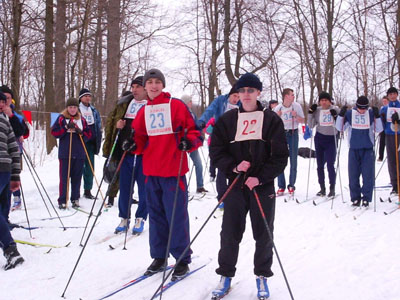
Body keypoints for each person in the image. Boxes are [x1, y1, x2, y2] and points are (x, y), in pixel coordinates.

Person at [209, 73, 288, 299]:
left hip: (261, 186)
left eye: (250, 91)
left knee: (263, 232)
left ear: (258, 93)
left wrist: (260, 178)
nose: (246, 95)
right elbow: (216, 151)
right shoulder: (228, 120)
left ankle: (262, 277)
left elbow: (281, 156)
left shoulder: (271, 119)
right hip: (235, 184)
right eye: (242, 91)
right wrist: (233, 167)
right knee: (230, 232)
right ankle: (225, 275)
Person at [130, 69, 202, 280]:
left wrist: (188, 141)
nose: (153, 86)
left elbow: (195, 132)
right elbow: (140, 139)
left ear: (163, 85)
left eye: (157, 82)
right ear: (145, 87)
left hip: (173, 170)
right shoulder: (144, 111)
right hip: (151, 171)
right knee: (157, 215)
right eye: (150, 82)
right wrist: (132, 144)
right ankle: (160, 256)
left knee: (176, 215)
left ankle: (181, 258)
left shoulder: (176, 105)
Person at [111, 76, 149, 235]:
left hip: (144, 154)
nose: (134, 89)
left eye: (138, 87)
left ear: (145, 89)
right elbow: (114, 124)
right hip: (126, 152)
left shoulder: (151, 105)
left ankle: (140, 217)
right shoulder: (126, 103)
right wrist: (118, 125)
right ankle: (124, 218)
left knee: (144, 188)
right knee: (125, 187)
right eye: (132, 86)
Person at [198, 86, 240, 207]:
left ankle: (233, 197)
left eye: (238, 96)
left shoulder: (241, 103)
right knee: (222, 169)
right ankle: (222, 199)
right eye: (234, 96)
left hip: (235, 139)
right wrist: (202, 121)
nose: (236, 99)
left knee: (235, 168)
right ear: (230, 95)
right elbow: (210, 110)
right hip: (220, 138)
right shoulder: (221, 100)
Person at [336, 96, 383, 207]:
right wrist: (341, 115)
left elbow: (379, 129)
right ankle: (355, 197)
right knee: (353, 175)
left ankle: (366, 197)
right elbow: (339, 128)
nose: (362, 111)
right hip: (354, 149)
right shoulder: (350, 114)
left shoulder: (370, 114)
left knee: (368, 175)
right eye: (360, 108)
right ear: (356, 106)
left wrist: (377, 116)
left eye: (364, 108)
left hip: (367, 149)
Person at [51, 98, 92, 209]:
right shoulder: (61, 118)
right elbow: (54, 132)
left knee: (77, 177)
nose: (72, 110)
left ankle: (75, 198)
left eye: (74, 107)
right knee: (64, 178)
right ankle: (62, 200)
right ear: (67, 108)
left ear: (77, 108)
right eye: (70, 107)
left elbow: (89, 135)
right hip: (65, 153)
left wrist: (81, 133)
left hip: (79, 153)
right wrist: (65, 128)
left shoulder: (82, 120)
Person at [0, 91, 24, 270]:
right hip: (6, 171)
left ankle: (11, 251)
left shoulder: (6, 120)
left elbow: (14, 148)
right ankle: (10, 249)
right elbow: (14, 149)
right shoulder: (5, 120)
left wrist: (15, 176)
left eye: (3, 101)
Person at [273, 88, 305, 196]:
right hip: (281, 134)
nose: (293, 96)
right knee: (280, 159)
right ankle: (281, 186)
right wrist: (276, 116)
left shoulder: (297, 106)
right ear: (286, 96)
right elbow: (272, 124)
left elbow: (302, 120)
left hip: (293, 133)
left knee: (293, 159)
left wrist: (296, 115)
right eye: (292, 95)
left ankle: (291, 184)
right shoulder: (278, 108)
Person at [0, 85, 25, 220]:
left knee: (7, 191)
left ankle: (5, 219)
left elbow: (22, 131)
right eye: (3, 98)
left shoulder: (14, 115)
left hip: (13, 153)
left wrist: (11, 116)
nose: (5, 102)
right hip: (3, 156)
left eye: (8, 99)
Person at [307, 92, 339, 197]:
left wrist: (336, 116)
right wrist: (310, 113)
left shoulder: (335, 109)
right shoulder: (318, 111)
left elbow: (340, 126)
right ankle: (322, 188)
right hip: (320, 138)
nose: (324, 102)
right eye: (322, 100)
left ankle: (332, 187)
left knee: (330, 164)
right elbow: (311, 125)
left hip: (331, 138)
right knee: (320, 165)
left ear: (330, 101)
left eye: (326, 100)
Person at [78, 88, 102, 199]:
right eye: (85, 96)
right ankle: (75, 190)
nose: (87, 98)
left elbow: (98, 125)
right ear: (80, 98)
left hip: (91, 142)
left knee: (90, 167)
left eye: (89, 96)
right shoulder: (77, 109)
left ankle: (88, 190)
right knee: (78, 167)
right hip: (80, 141)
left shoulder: (94, 110)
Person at [181, 94, 208, 193]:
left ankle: (200, 186)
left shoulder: (192, 114)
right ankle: (182, 188)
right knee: (182, 166)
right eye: (190, 101)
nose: (191, 103)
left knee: (199, 164)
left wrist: (201, 127)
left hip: (192, 143)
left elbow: (196, 127)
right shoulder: (179, 113)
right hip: (182, 143)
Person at [380, 87, 400, 197]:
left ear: (397, 95)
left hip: (399, 135)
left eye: (394, 94)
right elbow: (381, 124)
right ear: (388, 96)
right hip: (389, 135)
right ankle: (395, 185)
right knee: (392, 160)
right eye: (390, 94)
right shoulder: (384, 109)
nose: (392, 96)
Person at [378, 96, 389, 162]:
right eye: (383, 101)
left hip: (388, 129)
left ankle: (389, 156)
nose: (384, 102)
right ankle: (380, 157)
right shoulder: (382, 108)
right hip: (382, 129)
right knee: (382, 143)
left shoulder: (389, 108)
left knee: (389, 143)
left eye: (385, 101)